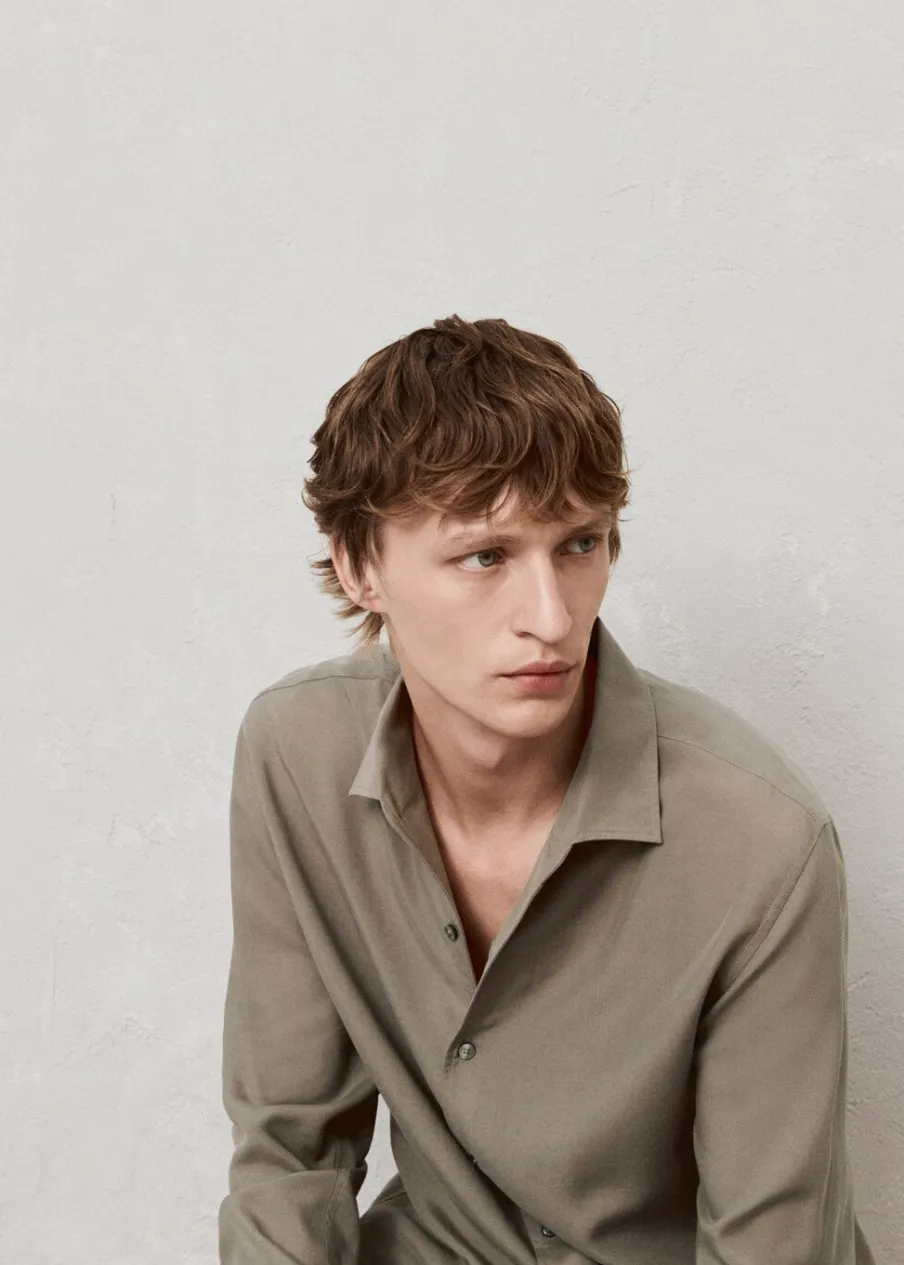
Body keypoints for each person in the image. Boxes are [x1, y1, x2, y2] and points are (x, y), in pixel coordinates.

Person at [218, 315, 876, 1263]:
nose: (551, 616)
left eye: (579, 544)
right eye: (485, 555)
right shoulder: (296, 754)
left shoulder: (759, 843)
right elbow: (290, 1151)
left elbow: (771, 1245)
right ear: (361, 566)